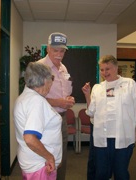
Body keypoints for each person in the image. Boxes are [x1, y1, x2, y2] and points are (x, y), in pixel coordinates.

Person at [82, 55, 136, 180]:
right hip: (102, 137)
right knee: (101, 173)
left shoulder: (129, 84)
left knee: (121, 173)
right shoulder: (97, 88)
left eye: (108, 69)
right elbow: (91, 112)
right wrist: (87, 95)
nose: (104, 72)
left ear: (116, 68)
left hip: (123, 136)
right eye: (102, 69)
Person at [13, 62, 62, 180]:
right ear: (45, 81)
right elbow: (30, 139)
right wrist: (49, 157)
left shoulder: (24, 97)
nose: (51, 84)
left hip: (32, 161)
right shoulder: (36, 101)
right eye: (52, 79)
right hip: (41, 165)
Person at [38, 32, 75, 180]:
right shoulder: (40, 67)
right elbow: (33, 98)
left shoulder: (63, 68)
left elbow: (62, 91)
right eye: (55, 50)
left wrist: (67, 99)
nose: (59, 54)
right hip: (46, 119)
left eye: (62, 51)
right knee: (45, 156)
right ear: (48, 49)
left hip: (62, 118)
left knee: (61, 156)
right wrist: (58, 102)